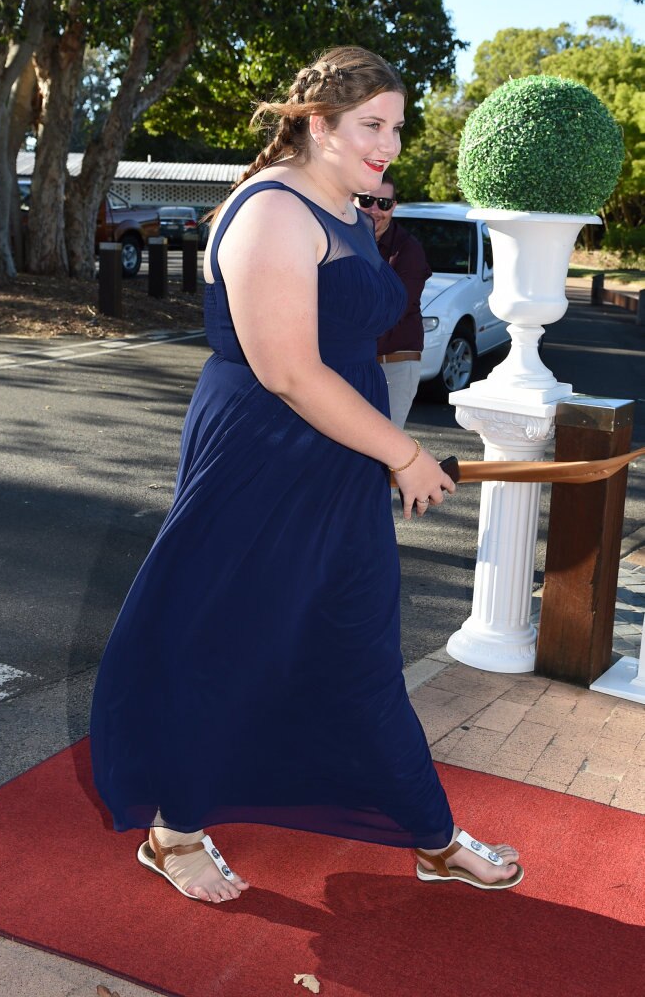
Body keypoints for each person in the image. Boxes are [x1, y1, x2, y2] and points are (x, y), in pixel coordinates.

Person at [90, 46, 523, 905]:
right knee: (226, 641)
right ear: (317, 124)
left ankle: (432, 837)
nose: (390, 143)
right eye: (372, 125)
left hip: (340, 458)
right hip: (260, 457)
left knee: (359, 649)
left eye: (397, 126)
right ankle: (173, 831)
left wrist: (381, 449)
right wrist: (402, 452)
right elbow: (288, 369)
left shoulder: (352, 210)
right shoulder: (270, 212)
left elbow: (351, 343)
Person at [354, 173, 430, 429]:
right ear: (352, 200)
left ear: (393, 206)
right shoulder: (339, 240)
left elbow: (392, 313)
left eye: (383, 204)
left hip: (393, 365)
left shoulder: (408, 251)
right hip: (349, 362)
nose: (375, 210)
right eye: (366, 201)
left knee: (384, 451)